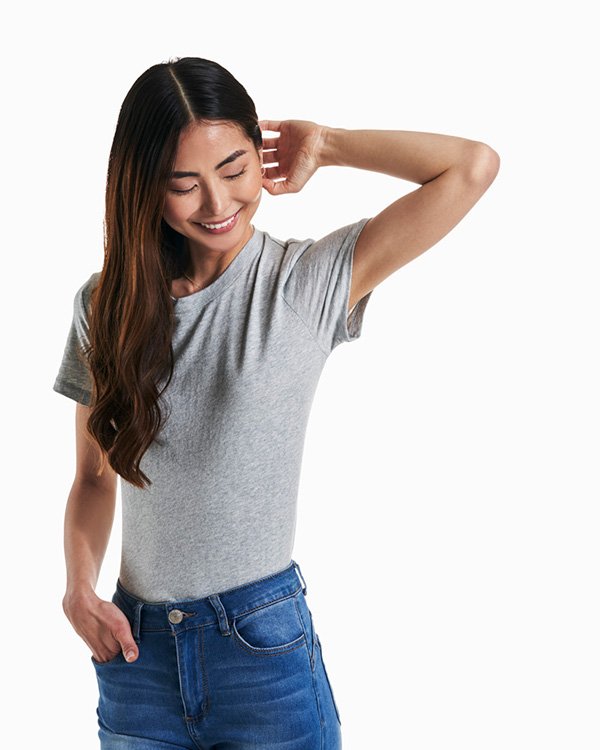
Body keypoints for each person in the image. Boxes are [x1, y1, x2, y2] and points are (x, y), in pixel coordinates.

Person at [53, 56, 499, 749]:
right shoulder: (103, 305)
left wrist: (328, 144)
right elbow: (91, 478)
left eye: (234, 169)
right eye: (184, 184)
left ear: (258, 157)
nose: (217, 203)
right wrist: (80, 589)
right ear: (145, 188)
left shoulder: (305, 282)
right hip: (136, 657)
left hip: (261, 653)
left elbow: (471, 167)